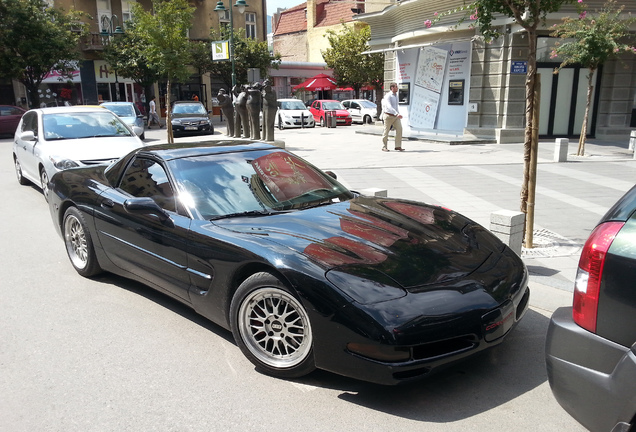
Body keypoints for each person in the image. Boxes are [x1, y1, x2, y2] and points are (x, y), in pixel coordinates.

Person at [381, 82, 403, 152]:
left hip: (395, 116)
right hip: (388, 116)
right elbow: (389, 106)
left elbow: (395, 106)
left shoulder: (396, 95)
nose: (397, 88)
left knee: (399, 129)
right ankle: (384, 146)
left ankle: (398, 146)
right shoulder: (388, 96)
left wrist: (397, 113)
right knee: (386, 131)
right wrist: (396, 114)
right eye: (396, 87)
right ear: (392, 88)